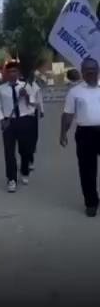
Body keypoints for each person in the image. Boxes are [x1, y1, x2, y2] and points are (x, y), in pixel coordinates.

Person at [60, 58, 100, 217]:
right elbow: (68, 114)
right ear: (82, 72)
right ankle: (91, 202)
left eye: (93, 69)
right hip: (85, 134)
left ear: (98, 70)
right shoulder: (75, 92)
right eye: (87, 70)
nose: (91, 72)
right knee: (87, 170)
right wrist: (63, 133)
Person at [0, 62, 36, 193]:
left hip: (24, 120)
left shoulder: (26, 86)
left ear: (18, 73)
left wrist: (27, 96)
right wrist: (2, 120)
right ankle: (11, 179)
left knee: (25, 150)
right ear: (6, 74)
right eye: (10, 71)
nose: (12, 74)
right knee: (9, 152)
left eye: (15, 71)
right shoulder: (1, 89)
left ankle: (24, 171)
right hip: (9, 122)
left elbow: (34, 105)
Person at [27, 72, 45, 171]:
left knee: (34, 136)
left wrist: (42, 110)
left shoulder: (36, 87)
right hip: (23, 114)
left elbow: (39, 99)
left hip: (33, 113)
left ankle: (31, 155)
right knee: (25, 138)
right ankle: (28, 159)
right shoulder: (21, 86)